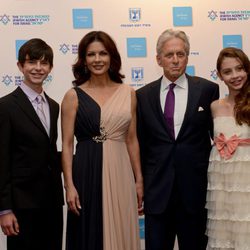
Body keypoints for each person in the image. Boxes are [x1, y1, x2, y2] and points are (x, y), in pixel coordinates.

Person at [136, 29, 220, 250]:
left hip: (195, 191)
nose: (175, 60)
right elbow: (141, 145)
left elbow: (217, 139)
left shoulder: (208, 90)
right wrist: (140, 184)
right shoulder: (142, 96)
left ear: (187, 57)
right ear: (158, 59)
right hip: (157, 192)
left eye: (180, 54)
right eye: (169, 55)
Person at [61, 30, 143, 250]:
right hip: (87, 170)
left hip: (121, 171)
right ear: (84, 60)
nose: (97, 60)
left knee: (122, 226)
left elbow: (132, 140)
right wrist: (69, 185)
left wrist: (139, 180)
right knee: (89, 232)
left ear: (112, 57)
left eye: (103, 53)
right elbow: (67, 145)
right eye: (91, 55)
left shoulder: (129, 94)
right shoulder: (73, 96)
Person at [0, 38, 64, 250]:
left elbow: (48, 152)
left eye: (44, 63)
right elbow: (2, 160)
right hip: (21, 206)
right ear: (20, 66)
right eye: (32, 62)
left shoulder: (54, 106)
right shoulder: (6, 106)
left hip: (52, 203)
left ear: (50, 68)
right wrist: (5, 209)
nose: (38, 68)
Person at [206, 47, 250, 249]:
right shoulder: (215, 106)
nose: (235, 76)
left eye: (239, 69)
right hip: (222, 188)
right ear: (220, 76)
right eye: (227, 71)